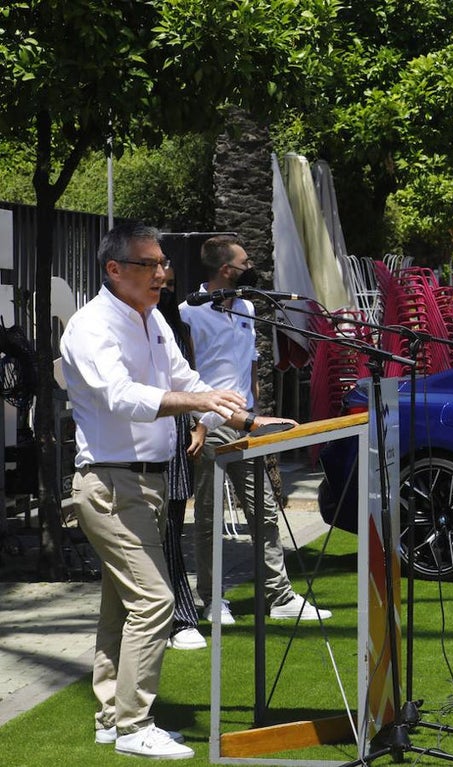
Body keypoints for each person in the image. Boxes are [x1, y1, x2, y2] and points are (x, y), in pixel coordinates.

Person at [60, 222, 253, 759]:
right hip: (108, 483)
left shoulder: (154, 320)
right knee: (155, 601)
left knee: (120, 607)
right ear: (114, 269)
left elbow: (185, 379)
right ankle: (133, 725)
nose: (163, 274)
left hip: (148, 481)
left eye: (164, 264)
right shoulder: (91, 326)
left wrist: (231, 409)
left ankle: (109, 716)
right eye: (151, 265)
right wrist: (199, 404)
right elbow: (120, 397)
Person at [181, 234, 330, 625]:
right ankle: (213, 600)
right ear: (226, 269)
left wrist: (256, 413)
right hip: (209, 426)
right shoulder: (188, 312)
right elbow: (185, 374)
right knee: (210, 518)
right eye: (245, 262)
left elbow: (249, 368)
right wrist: (197, 423)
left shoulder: (247, 307)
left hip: (248, 424)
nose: (252, 267)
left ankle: (279, 597)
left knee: (264, 513)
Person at [156, 266, 208, 651]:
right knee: (159, 534)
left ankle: (182, 617)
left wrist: (200, 424)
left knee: (173, 527)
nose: (165, 290)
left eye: (172, 285)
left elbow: (189, 378)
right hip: (145, 441)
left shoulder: (178, 330)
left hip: (176, 438)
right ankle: (173, 617)